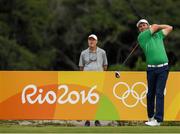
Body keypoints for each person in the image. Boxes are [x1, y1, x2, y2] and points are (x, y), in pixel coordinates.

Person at [137, 19, 173, 126]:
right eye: (140, 26)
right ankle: (151, 117)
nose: (142, 27)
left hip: (163, 68)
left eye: (144, 25)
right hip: (151, 69)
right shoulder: (142, 37)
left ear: (148, 26)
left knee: (159, 93)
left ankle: (158, 120)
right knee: (150, 94)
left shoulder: (158, 36)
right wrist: (154, 26)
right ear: (139, 30)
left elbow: (170, 27)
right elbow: (156, 27)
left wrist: (157, 26)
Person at [79, 34, 108, 126]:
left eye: (93, 40)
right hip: (87, 78)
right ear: (88, 41)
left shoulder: (102, 52)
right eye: (89, 40)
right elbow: (81, 66)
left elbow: (105, 65)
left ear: (96, 41)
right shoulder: (83, 53)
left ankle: (97, 119)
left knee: (98, 99)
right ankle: (87, 120)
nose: (91, 41)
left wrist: (101, 74)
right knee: (87, 99)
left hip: (99, 78)